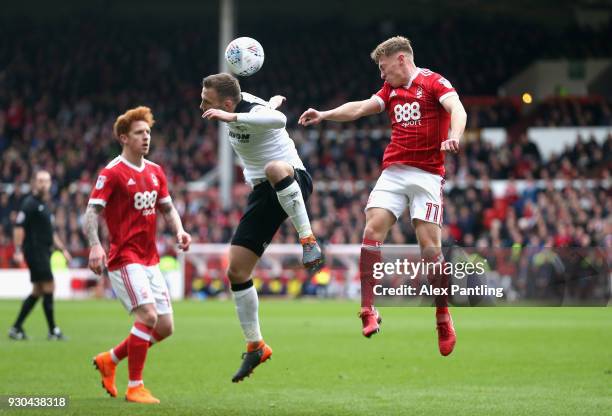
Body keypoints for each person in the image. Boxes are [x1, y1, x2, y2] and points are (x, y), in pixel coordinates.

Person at [299, 36, 467, 356]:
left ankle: (443, 317)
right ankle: (367, 309)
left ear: (401, 59)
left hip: (427, 175)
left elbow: (457, 109)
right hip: (394, 172)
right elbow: (361, 108)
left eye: (383, 66)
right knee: (371, 229)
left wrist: (454, 136)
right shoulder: (390, 91)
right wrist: (324, 114)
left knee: (430, 249)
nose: (381, 74)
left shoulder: (433, 83)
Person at [200, 73, 323, 382]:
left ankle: (308, 240)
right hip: (262, 192)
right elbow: (266, 111)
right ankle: (256, 345)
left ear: (228, 103)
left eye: (207, 100)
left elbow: (278, 120)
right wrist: (268, 103)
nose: (201, 105)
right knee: (236, 271)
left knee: (274, 168)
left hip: (293, 178)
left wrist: (239, 113)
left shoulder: (248, 109)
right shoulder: (241, 108)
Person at [84, 106, 191, 403]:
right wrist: (95, 245)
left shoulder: (156, 172)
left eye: (148, 132)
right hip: (124, 258)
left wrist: (180, 231)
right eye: (139, 133)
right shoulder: (113, 172)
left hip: (150, 258)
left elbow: (167, 207)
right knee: (148, 316)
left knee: (166, 326)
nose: (146, 138)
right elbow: (92, 211)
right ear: (123, 138)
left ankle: (110, 360)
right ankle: (135, 386)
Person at [8, 170, 71, 341]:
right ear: (34, 183)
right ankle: (53, 330)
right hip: (34, 252)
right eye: (41, 180)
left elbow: (51, 233)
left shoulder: (45, 206)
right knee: (49, 286)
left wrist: (63, 249)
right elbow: (19, 227)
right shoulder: (29, 204)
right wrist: (18, 250)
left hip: (44, 251)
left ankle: (16, 328)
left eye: (47, 181)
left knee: (38, 290)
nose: (44, 184)